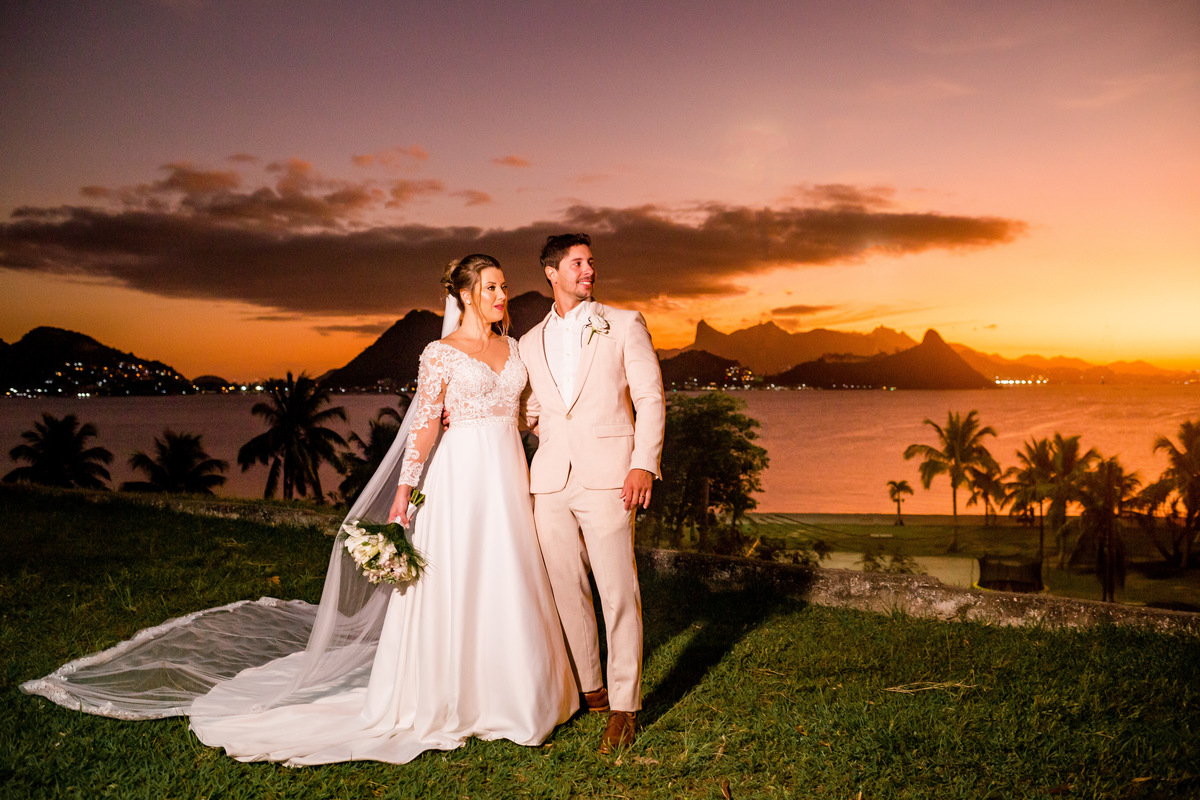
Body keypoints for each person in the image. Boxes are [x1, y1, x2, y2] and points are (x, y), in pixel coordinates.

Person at [22, 254, 578, 766]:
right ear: (465, 294)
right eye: (492, 287)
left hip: (509, 476)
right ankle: (453, 694)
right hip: (460, 480)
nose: (503, 294)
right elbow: (425, 428)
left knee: (508, 575)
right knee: (459, 579)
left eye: (503, 286)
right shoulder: (440, 354)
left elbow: (525, 412)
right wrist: (403, 498)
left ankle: (514, 690)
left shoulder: (514, 349)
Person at [518, 233, 666, 754]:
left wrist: (642, 463)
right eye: (576, 263)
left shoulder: (624, 323)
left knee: (618, 590)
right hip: (550, 481)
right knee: (565, 587)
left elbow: (649, 397)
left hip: (611, 477)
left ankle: (624, 709)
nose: (588, 270)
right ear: (551, 273)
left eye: (591, 261)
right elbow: (532, 413)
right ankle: (592, 689)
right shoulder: (530, 341)